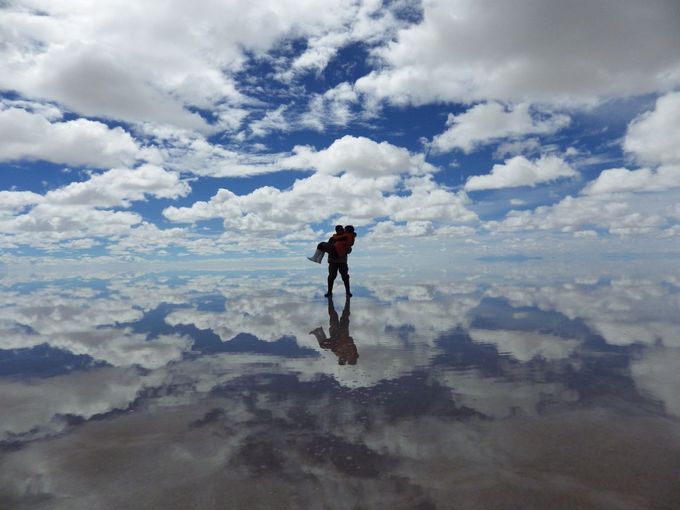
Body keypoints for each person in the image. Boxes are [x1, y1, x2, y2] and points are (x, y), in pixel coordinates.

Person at [309, 295, 358, 365]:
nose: (342, 357)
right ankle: (346, 299)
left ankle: (317, 331)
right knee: (344, 314)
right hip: (342, 331)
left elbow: (334, 349)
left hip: (335, 335)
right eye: (344, 358)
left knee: (333, 315)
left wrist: (336, 346)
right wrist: (343, 343)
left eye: (341, 358)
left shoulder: (339, 354)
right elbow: (350, 340)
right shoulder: (352, 352)